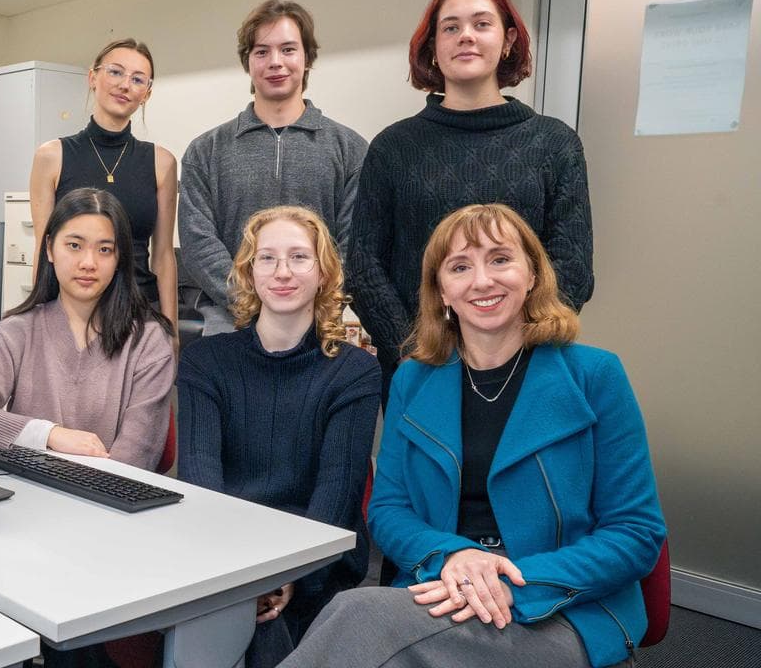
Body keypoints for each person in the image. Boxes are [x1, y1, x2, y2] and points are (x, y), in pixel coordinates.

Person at [282, 204, 664, 668]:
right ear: (442, 291)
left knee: (359, 619)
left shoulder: (595, 375)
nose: (482, 281)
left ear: (532, 275)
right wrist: (453, 556)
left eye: (500, 259)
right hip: (444, 587)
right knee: (361, 622)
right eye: (460, 266)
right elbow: (389, 510)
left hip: (563, 608)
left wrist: (511, 580)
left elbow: (636, 532)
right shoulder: (413, 379)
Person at [347, 0, 594, 403]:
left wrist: (518, 349)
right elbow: (365, 264)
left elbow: (572, 266)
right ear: (433, 47)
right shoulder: (393, 146)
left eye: (482, 24)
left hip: (525, 369)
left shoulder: (554, 143)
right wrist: (412, 352)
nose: (466, 37)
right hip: (418, 368)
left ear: (509, 39)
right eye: (451, 27)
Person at [178, 206, 380, 667]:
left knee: (268, 634)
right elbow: (201, 479)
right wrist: (246, 579)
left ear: (324, 272)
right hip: (222, 553)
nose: (282, 272)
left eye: (299, 258)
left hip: (316, 561)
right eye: (266, 258)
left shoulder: (356, 372)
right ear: (248, 273)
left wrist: (288, 576)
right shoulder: (205, 362)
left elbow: (336, 493)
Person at [180, 0, 367, 336]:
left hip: (316, 327)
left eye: (288, 49)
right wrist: (251, 301)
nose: (276, 62)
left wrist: (305, 303)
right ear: (247, 62)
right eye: (262, 51)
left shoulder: (350, 149)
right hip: (229, 327)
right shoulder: (205, 151)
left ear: (307, 58)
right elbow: (198, 245)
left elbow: (352, 242)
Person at [0, 187, 175, 471]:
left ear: (118, 259)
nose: (88, 263)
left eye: (104, 250)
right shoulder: (15, 332)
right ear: (49, 248)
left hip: (109, 504)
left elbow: (136, 459)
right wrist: (50, 435)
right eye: (74, 245)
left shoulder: (148, 343)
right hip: (26, 498)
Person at [30, 38, 179, 328]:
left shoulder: (162, 163)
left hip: (139, 314)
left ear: (146, 93)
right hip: (71, 315)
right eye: (115, 72)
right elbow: (43, 250)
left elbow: (163, 256)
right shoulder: (52, 156)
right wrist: (37, 322)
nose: (125, 85)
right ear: (92, 78)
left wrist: (171, 330)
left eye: (138, 79)